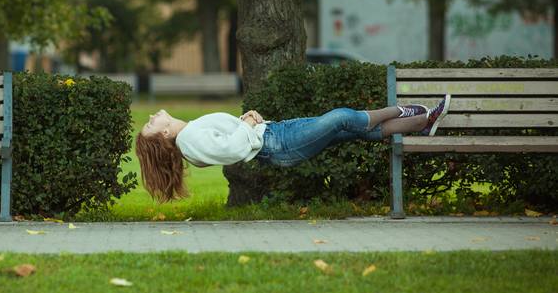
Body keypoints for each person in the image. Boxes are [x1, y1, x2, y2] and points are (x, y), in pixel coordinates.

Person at [135, 95, 451, 202]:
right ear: (163, 134)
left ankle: (422, 123)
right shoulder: (188, 140)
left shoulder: (190, 137)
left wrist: (248, 121)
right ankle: (402, 110)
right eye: (149, 124)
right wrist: (246, 123)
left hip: (277, 132)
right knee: (341, 117)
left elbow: (217, 151)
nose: (150, 117)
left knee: (351, 130)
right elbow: (231, 152)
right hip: (280, 144)